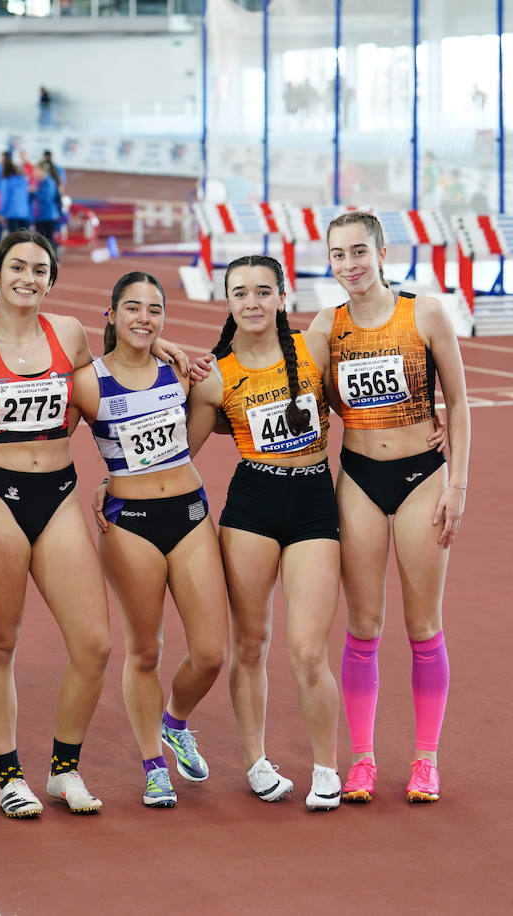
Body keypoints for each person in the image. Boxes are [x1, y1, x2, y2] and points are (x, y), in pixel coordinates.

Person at [0, 230, 190, 818]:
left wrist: (166, 342)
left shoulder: (71, 333)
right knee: (0, 642)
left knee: (96, 644)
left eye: (41, 270)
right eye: (18, 267)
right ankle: (9, 776)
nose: (29, 278)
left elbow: (114, 365)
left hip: (58, 492)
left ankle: (63, 769)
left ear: (51, 281)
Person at [307, 209, 470, 805]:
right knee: (363, 626)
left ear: (380, 252)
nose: (348, 264)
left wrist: (458, 486)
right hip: (358, 481)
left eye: (358, 251)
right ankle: (363, 760)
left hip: (424, 478)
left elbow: (459, 401)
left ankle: (426, 759)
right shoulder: (326, 325)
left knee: (423, 626)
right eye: (338, 254)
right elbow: (285, 374)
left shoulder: (423, 313)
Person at [186, 254, 344, 811]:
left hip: (313, 505)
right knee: (249, 644)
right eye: (239, 293)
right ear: (227, 302)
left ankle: (327, 766)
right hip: (251, 504)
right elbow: (178, 454)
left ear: (281, 295)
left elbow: (366, 411)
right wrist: (116, 481)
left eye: (262, 291)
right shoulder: (216, 377)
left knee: (307, 650)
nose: (251, 302)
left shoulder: (313, 346)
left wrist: (427, 426)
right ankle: (256, 760)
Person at [81, 272, 228, 807]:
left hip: (189, 513)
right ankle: (152, 764)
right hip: (130, 523)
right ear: (112, 314)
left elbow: (186, 440)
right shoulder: (90, 381)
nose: (144, 318)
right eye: (133, 308)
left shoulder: (178, 370)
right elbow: (37, 430)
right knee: (145, 652)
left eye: (154, 310)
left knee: (211, 652)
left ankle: (175, 722)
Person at [32, 159, 63, 251]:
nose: (35, 172)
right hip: (40, 216)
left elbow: (47, 197)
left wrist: (34, 191)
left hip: (48, 216)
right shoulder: (40, 182)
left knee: (49, 240)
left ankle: (54, 260)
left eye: (36, 170)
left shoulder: (49, 182)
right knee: (41, 241)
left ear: (42, 170)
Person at [0, 155, 31, 234]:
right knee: (24, 239)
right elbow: (27, 197)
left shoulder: (6, 181)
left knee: (15, 239)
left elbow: (4, 198)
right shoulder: (23, 180)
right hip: (24, 213)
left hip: (12, 213)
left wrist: (1, 213)